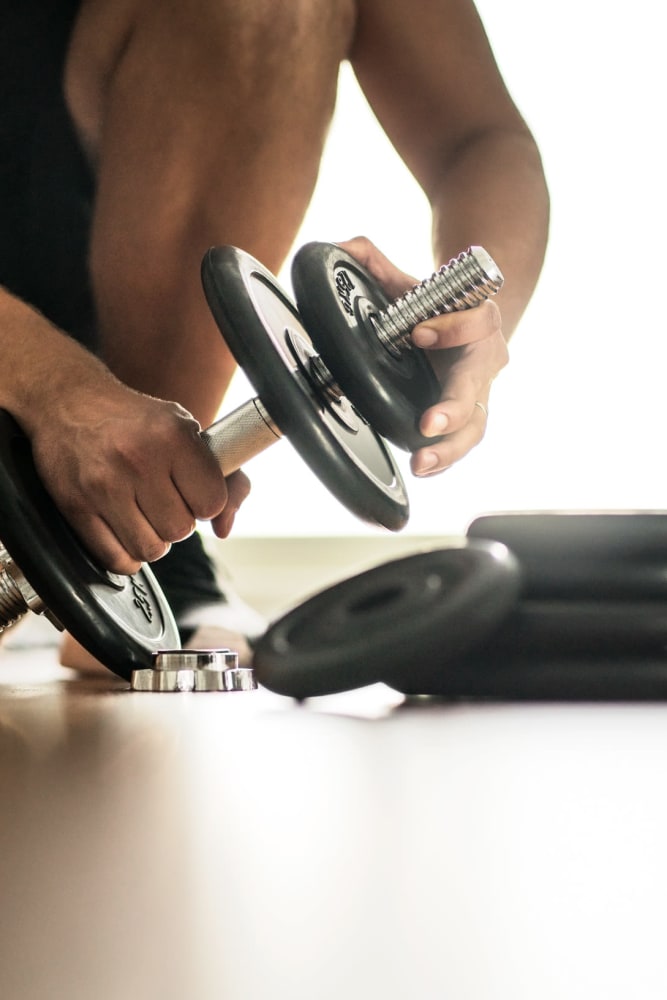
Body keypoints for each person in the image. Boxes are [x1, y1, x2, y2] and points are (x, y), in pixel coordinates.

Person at [0, 0, 549, 665]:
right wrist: (53, 387)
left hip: (113, 360)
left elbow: (478, 137)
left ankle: (141, 538)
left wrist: (465, 320)